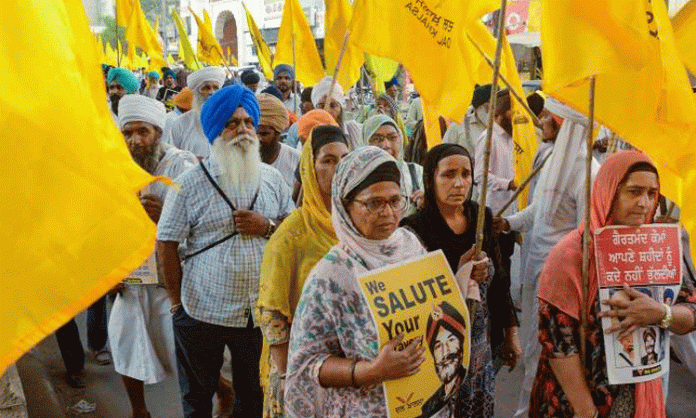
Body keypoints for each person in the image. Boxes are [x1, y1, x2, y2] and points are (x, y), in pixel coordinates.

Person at [156, 85, 295, 417]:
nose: (244, 130)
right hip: (201, 308)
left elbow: (289, 230)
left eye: (249, 122)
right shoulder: (189, 182)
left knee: (254, 394)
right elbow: (167, 242)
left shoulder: (273, 179)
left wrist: (267, 226)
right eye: (233, 123)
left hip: (257, 312)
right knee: (197, 399)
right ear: (216, 131)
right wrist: (177, 304)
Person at [530, 151, 696, 418]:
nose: (644, 203)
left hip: (640, 394)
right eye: (634, 192)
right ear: (608, 192)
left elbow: (691, 308)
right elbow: (557, 343)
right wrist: (585, 409)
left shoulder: (659, 249)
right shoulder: (572, 255)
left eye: (652, 193)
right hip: (578, 399)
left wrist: (661, 314)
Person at [284, 146, 429, 418]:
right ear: (345, 205)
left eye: (395, 200)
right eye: (374, 203)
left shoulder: (410, 245)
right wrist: (372, 371)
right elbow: (307, 364)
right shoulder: (332, 276)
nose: (388, 212)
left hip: (420, 403)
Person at [495, 97, 600, 418]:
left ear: (562, 123)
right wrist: (509, 223)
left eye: (546, 118)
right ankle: (527, 409)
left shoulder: (587, 172)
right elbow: (540, 209)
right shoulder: (551, 160)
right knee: (530, 347)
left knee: (548, 351)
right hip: (533, 270)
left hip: (561, 283)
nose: (540, 122)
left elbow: (587, 234)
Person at [400, 144, 520, 418]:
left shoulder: (480, 217)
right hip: (439, 352)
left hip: (480, 345)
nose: (459, 183)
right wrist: (459, 272)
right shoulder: (414, 229)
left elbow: (500, 279)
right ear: (430, 179)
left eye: (466, 174)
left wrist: (511, 333)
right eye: (449, 174)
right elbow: (415, 297)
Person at [109, 95, 197, 418]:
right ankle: (139, 411)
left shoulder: (181, 166)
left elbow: (200, 224)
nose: (135, 141)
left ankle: (222, 391)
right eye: (128, 133)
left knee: (182, 352)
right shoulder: (117, 169)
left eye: (142, 132)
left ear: (158, 132)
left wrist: (166, 216)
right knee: (124, 341)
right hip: (131, 276)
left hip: (170, 279)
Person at [257, 125, 350, 418]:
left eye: (344, 160)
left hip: (346, 364)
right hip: (299, 365)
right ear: (310, 167)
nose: (337, 169)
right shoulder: (292, 233)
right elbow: (272, 313)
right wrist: (287, 376)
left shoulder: (355, 226)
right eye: (328, 160)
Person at [364, 114, 424, 212]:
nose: (386, 145)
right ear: (365, 142)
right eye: (377, 139)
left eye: (392, 138)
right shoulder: (357, 179)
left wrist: (427, 203)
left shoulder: (417, 173)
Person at [420, 301, 468, 418]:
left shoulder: (469, 384)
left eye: (451, 341)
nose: (444, 352)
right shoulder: (428, 405)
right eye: (437, 346)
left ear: (461, 344)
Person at [165, 66, 226, 159]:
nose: (211, 92)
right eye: (206, 88)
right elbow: (172, 158)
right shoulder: (180, 123)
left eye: (215, 88)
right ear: (196, 93)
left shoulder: (228, 121)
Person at [257, 93, 300, 190]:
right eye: (254, 133)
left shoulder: (296, 161)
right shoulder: (239, 161)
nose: (258, 139)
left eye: (264, 134)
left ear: (278, 133)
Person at [311, 76, 363, 150]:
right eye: (322, 106)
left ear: (341, 108)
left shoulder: (354, 130)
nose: (327, 111)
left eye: (333, 105)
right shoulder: (309, 136)